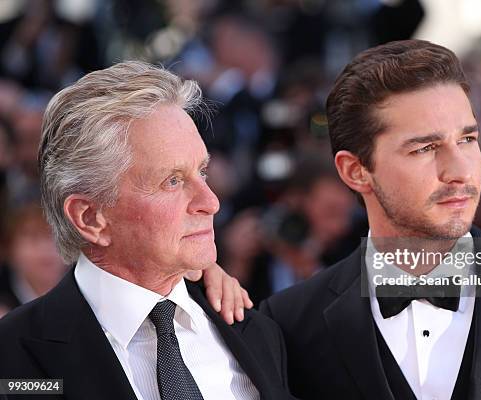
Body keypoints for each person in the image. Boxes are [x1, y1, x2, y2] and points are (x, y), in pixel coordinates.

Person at [258, 40, 481, 400]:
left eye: (468, 139)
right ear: (356, 171)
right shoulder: (289, 323)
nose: (459, 171)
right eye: (424, 149)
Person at [0, 61, 294, 400]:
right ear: (90, 218)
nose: (210, 202)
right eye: (172, 181)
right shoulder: (14, 361)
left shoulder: (257, 332)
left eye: (203, 172)